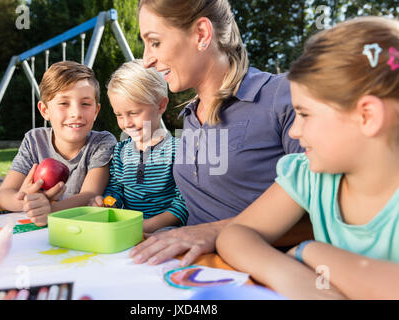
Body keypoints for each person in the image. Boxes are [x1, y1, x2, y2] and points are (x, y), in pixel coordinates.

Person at [216, 17, 399, 299]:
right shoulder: (309, 175)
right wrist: (291, 276)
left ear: (367, 116)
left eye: (304, 114)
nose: (294, 130)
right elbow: (235, 234)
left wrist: (312, 251)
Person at [130, 0, 304, 267]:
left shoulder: (282, 96)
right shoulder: (188, 117)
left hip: (264, 275)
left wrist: (216, 232)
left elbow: (330, 218)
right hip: (188, 271)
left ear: (201, 34)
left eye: (155, 42)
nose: (146, 60)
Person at [0, 61, 117, 226]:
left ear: (96, 111)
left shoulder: (102, 142)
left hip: (78, 229)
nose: (76, 113)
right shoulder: (34, 140)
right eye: (64, 103)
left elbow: (90, 194)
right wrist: (26, 202)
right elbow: (3, 194)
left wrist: (49, 210)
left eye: (86, 104)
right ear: (45, 110)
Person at [89, 59, 188, 233]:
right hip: (128, 228)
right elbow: (116, 189)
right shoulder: (120, 151)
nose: (126, 123)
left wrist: (146, 227)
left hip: (166, 230)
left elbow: (183, 204)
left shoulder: (178, 151)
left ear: (161, 105)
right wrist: (107, 202)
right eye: (119, 115)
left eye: (133, 113)